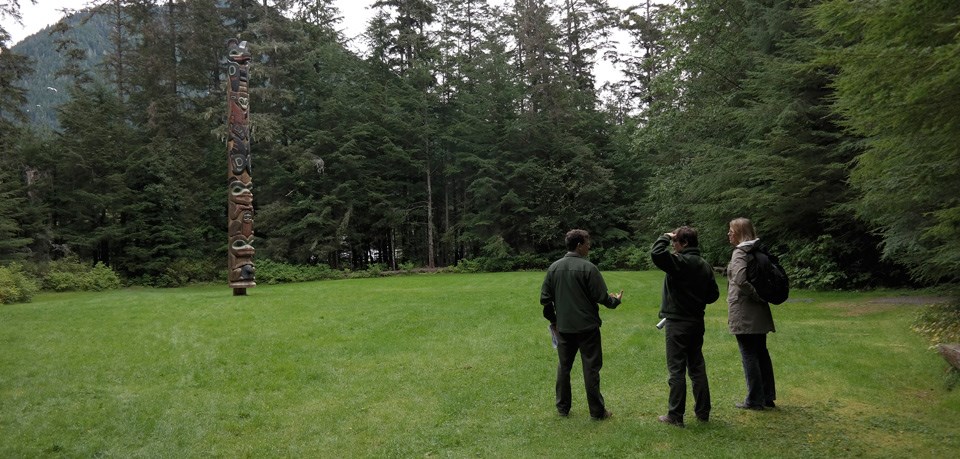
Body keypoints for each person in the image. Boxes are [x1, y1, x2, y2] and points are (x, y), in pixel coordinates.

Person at [541, 229, 623, 421]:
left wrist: (554, 321)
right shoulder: (589, 268)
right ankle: (597, 412)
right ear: (578, 245)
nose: (589, 246)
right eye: (587, 243)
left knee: (564, 367)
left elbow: (545, 300)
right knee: (591, 368)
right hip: (588, 329)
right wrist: (615, 301)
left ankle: (562, 408)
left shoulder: (554, 268)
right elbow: (602, 297)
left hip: (564, 329)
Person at [650, 226, 720, 428]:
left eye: (675, 242)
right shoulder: (704, 265)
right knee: (697, 367)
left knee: (676, 370)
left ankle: (675, 415)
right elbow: (713, 295)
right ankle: (703, 412)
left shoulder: (680, 262)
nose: (673, 246)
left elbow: (657, 253)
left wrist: (664, 236)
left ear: (684, 243)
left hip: (678, 322)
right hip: (696, 321)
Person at [726, 217, 777, 410]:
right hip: (759, 311)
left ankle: (755, 399)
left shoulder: (740, 252)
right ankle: (767, 396)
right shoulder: (756, 249)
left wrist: (755, 296)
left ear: (739, 233)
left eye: (731, 231)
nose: (728, 234)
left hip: (745, 310)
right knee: (761, 352)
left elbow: (740, 279)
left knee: (749, 354)